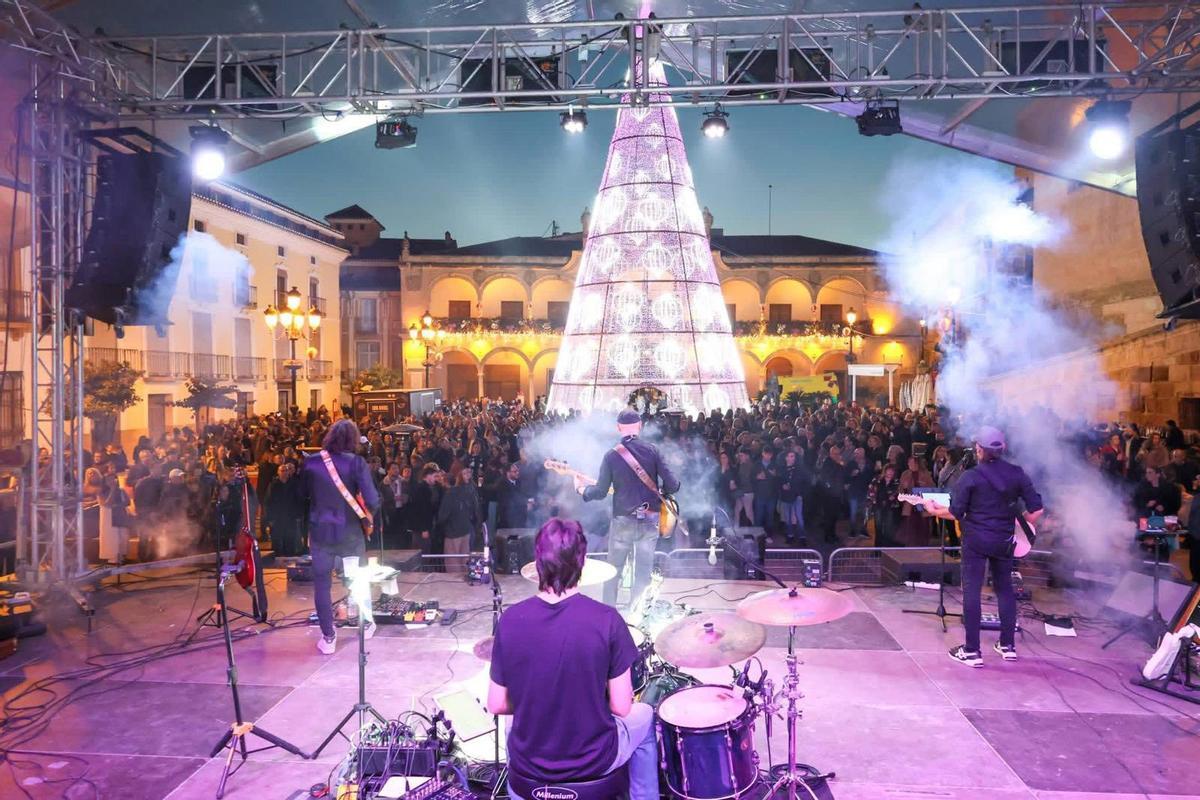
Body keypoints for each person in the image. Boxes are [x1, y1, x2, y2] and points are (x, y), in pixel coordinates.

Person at [486, 518, 659, 800]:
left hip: (530, 767)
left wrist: (538, 702)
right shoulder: (607, 621)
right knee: (645, 716)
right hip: (594, 760)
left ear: (537, 561)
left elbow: (496, 703)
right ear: (583, 561)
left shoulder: (510, 620)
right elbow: (621, 707)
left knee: (511, 725)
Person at [923, 426, 1043, 667]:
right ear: (1003, 448)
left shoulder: (971, 477)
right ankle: (1008, 646)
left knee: (972, 591)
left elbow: (957, 513)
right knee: (1005, 589)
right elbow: (1037, 509)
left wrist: (934, 510)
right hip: (1004, 541)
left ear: (978, 449)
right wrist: (1022, 527)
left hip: (976, 541)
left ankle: (972, 651)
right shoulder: (1017, 473)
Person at [578, 409, 680, 609]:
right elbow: (673, 485)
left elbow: (599, 491)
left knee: (613, 569)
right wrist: (661, 490)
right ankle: (637, 613)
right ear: (640, 426)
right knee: (643, 571)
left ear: (618, 428)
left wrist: (582, 490)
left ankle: (608, 613)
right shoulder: (653, 451)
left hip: (623, 520)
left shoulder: (611, 456)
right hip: (650, 519)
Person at [299, 418, 380, 655]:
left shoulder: (312, 462)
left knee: (322, 585)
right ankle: (366, 624)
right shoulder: (357, 463)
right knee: (358, 580)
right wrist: (369, 515)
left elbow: (301, 494)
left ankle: (328, 637)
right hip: (350, 534)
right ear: (353, 439)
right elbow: (373, 499)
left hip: (321, 532)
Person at [436, 465, 481, 572]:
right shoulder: (471, 490)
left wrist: (440, 528)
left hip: (454, 532)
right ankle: (464, 585)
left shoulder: (452, 493)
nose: (468, 476)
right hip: (466, 529)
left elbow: (443, 515)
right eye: (465, 473)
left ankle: (455, 587)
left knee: (453, 562)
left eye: (469, 473)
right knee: (464, 560)